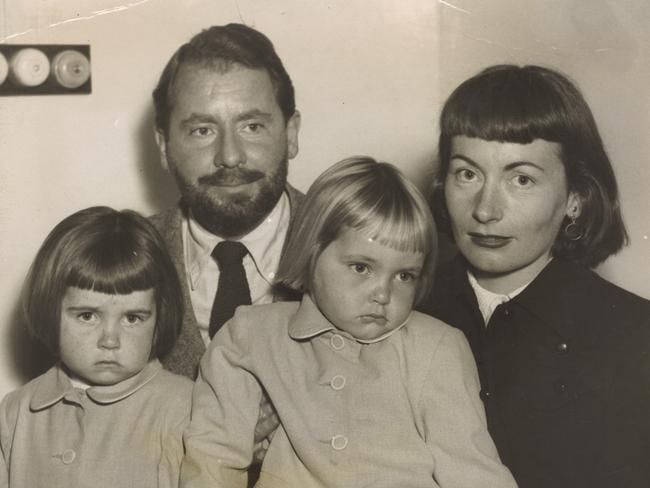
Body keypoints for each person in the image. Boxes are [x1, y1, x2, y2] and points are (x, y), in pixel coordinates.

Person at [180, 157, 517, 488]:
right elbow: (213, 456)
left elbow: (473, 470)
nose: (383, 294)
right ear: (312, 253)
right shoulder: (250, 335)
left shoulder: (437, 346)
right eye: (361, 267)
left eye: (404, 275)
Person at [421, 64, 650, 487]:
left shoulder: (636, 339)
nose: (486, 210)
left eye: (521, 179)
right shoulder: (403, 309)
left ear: (575, 200)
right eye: (467, 174)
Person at [150, 23, 303, 379]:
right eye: (202, 130)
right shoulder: (122, 254)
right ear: (163, 146)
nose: (230, 157)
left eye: (252, 126)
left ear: (291, 134)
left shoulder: (352, 243)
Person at [0, 207, 192, 487]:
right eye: (87, 316)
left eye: (132, 318)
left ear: (159, 318)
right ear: (50, 310)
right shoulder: (16, 411)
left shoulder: (184, 406)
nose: (110, 340)